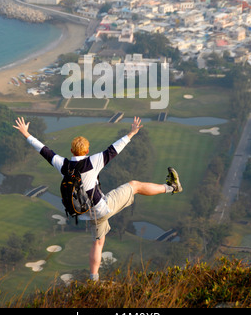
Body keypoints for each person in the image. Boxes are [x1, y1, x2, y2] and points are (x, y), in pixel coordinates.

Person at [13, 116, 182, 282]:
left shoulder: (64, 165)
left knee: (97, 244)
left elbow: (44, 150)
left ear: (72, 151)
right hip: (103, 207)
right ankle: (172, 187)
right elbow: (115, 148)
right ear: (87, 151)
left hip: (87, 214)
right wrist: (131, 133)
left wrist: (26, 134)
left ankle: (93, 280)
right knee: (135, 185)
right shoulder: (93, 161)